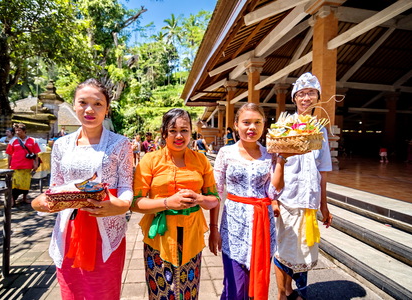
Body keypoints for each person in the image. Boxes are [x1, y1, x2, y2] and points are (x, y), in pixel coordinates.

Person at [31, 78, 133, 299]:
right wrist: (44, 202)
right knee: (72, 292)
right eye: (83, 102)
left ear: (107, 109)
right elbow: (56, 187)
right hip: (69, 231)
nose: (90, 109)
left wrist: (122, 205)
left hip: (106, 229)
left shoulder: (120, 144)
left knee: (104, 292)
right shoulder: (61, 145)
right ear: (74, 105)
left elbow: (126, 185)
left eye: (97, 104)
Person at [132, 108, 219, 300]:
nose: (179, 136)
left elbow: (214, 199)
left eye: (184, 130)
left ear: (191, 133)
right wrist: (166, 202)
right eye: (173, 130)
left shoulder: (201, 160)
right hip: (159, 238)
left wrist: (201, 202)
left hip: (192, 236)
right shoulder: (150, 161)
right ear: (164, 133)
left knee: (189, 291)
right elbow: (135, 203)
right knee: (161, 293)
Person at [209, 103, 294, 300]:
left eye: (257, 122)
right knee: (234, 284)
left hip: (262, 225)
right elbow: (215, 193)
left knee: (255, 282)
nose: (251, 128)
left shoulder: (269, 154)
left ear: (264, 125)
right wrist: (213, 228)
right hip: (233, 226)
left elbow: (273, 192)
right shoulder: (225, 153)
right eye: (246, 122)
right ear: (236, 124)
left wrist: (281, 161)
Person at [273, 72, 333, 300]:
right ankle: (281, 294)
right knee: (284, 249)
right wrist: (273, 198)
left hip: (309, 201)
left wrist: (324, 205)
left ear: (317, 97)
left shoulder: (321, 129)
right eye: (301, 94)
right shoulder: (284, 125)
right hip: (287, 199)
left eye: (311, 93)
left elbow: (323, 171)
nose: (306, 98)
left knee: (303, 251)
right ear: (294, 98)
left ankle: (291, 290)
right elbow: (273, 164)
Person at [6, 123, 40, 205]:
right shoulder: (13, 141)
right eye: (16, 130)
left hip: (27, 166)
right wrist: (8, 166)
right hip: (16, 166)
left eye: (19, 130)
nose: (17, 132)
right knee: (15, 184)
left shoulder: (33, 140)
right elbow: (9, 154)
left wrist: (36, 164)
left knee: (26, 183)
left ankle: (25, 198)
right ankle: (13, 200)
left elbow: (36, 154)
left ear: (24, 131)